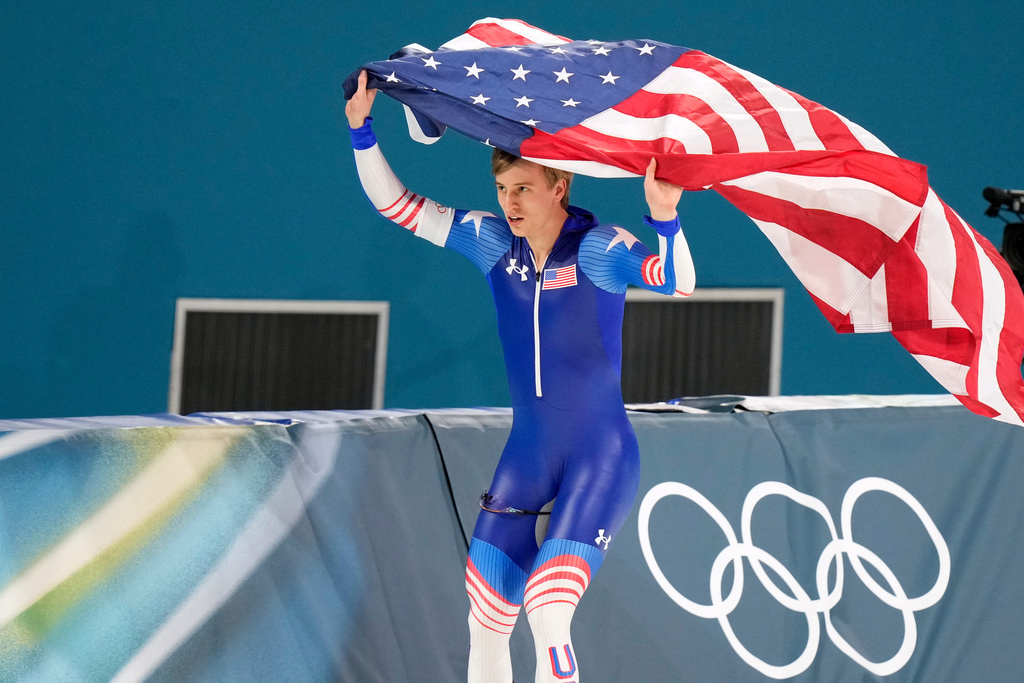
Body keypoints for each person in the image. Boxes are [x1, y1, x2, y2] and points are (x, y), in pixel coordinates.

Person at [345, 70, 694, 683]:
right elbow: (395, 206)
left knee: (547, 608)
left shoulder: (599, 249)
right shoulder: (489, 244)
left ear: (560, 186)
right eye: (504, 187)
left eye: (525, 188)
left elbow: (679, 281)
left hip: (599, 455)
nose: (510, 202)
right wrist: (362, 131)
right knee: (486, 618)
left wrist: (665, 220)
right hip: (528, 454)